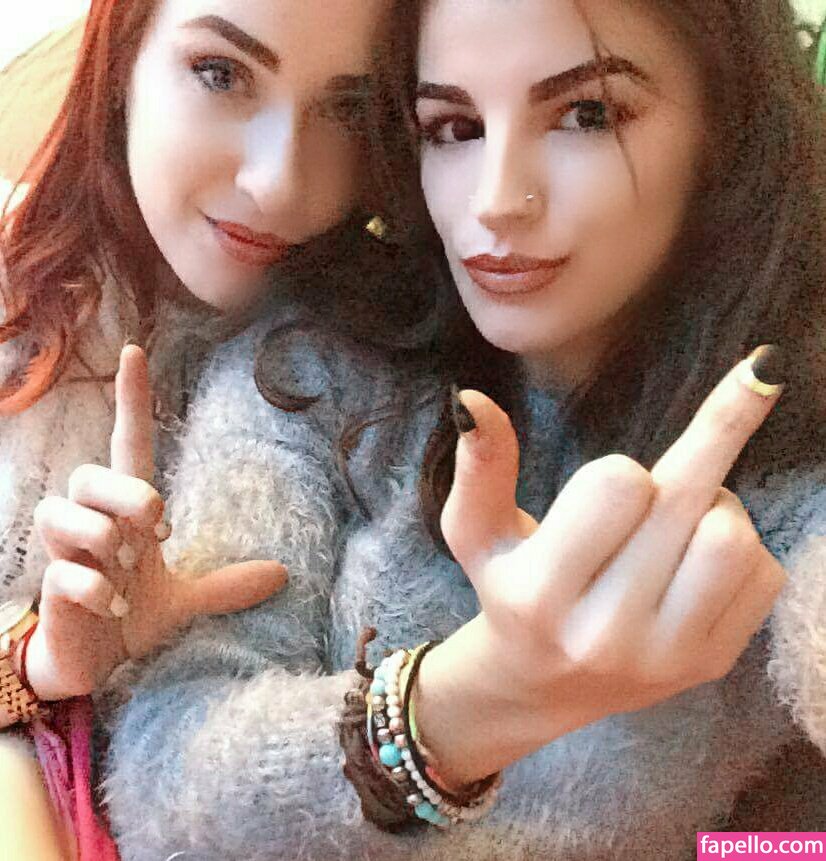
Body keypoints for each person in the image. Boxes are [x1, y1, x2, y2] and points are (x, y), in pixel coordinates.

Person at [78, 0, 824, 859]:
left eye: (587, 115)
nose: (497, 200)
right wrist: (472, 700)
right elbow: (159, 778)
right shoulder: (312, 371)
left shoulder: (785, 473)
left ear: (727, 133)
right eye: (454, 127)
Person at [0, 0, 397, 856]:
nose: (280, 182)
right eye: (222, 74)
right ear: (122, 60)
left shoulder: (373, 374)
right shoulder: (13, 283)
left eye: (347, 108)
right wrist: (36, 665)